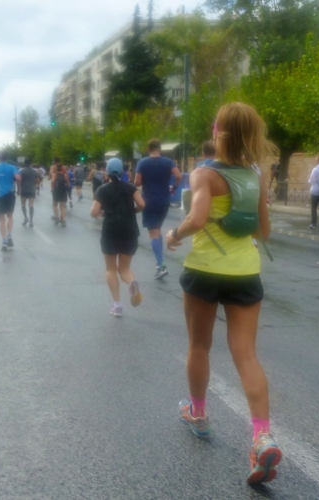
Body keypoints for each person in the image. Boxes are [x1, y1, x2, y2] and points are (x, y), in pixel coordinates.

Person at [165, 102, 281, 484]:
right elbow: (263, 232)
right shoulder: (255, 176)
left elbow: (196, 219)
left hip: (204, 271)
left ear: (217, 132)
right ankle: (262, 437)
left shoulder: (204, 174)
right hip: (245, 272)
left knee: (199, 345)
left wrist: (174, 234)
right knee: (246, 354)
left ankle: (198, 414)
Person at [91, 158, 146, 317]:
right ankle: (131, 282)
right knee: (124, 269)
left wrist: (102, 213)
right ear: (123, 171)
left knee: (110, 269)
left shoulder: (102, 189)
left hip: (110, 231)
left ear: (106, 172)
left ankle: (117, 306)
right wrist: (132, 211)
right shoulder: (131, 187)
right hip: (129, 230)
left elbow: (93, 212)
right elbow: (142, 204)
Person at [135, 139, 182, 279]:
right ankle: (159, 262)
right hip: (164, 201)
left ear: (148, 149)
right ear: (159, 149)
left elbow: (137, 182)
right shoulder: (168, 162)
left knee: (153, 233)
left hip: (149, 201)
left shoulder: (143, 163)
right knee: (157, 229)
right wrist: (174, 187)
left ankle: (161, 266)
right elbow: (178, 176)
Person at [0, 152, 21, 251]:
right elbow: (18, 178)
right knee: (10, 216)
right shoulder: (12, 167)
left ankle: (4, 241)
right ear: (7, 157)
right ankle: (9, 234)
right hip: (10, 194)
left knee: (1, 219)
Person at [18, 160, 38, 227]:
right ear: (30, 164)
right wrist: (34, 185)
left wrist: (18, 189)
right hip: (32, 190)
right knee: (31, 205)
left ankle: (25, 217)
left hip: (24, 189)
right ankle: (31, 220)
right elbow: (37, 180)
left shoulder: (21, 171)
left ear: (24, 164)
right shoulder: (34, 171)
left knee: (23, 205)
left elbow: (19, 180)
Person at [51, 162, 69, 227]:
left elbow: (53, 182)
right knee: (62, 206)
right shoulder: (65, 175)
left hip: (56, 191)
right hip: (63, 191)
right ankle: (63, 221)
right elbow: (68, 184)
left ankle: (57, 217)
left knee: (55, 204)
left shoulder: (54, 175)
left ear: (56, 169)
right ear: (62, 169)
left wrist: (52, 189)